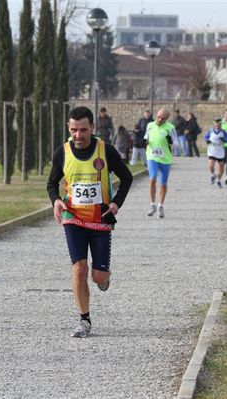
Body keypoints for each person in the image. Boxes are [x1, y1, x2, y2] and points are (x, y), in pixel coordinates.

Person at [47, 106, 133, 338]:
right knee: (79, 268)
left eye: (83, 130)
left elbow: (127, 178)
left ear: (92, 128)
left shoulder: (107, 151)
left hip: (100, 220)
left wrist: (116, 203)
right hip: (73, 218)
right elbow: (51, 183)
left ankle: (104, 277)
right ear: (68, 127)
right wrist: (56, 201)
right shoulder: (62, 152)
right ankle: (84, 320)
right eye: (74, 130)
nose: (78, 135)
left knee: (98, 276)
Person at [145, 108, 177, 218]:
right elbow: (146, 137)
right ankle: (152, 204)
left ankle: (160, 206)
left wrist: (170, 141)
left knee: (163, 183)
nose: (159, 119)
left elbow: (176, 143)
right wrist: (144, 141)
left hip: (165, 159)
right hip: (152, 157)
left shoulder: (170, 128)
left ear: (166, 119)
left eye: (162, 118)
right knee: (153, 178)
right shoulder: (150, 125)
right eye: (158, 117)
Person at [204, 117, 227, 188]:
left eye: (219, 124)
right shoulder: (210, 131)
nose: (218, 125)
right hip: (212, 150)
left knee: (221, 167)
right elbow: (205, 137)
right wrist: (207, 140)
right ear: (214, 124)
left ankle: (219, 180)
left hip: (220, 151)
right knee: (211, 165)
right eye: (216, 124)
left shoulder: (223, 132)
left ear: (221, 124)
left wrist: (224, 139)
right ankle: (213, 175)